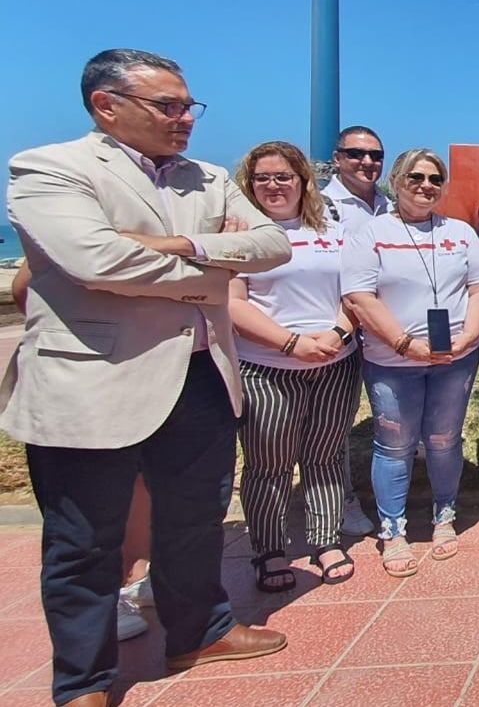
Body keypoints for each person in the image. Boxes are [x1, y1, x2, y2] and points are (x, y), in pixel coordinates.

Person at [3, 49, 292, 705]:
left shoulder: (209, 177)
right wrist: (215, 270)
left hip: (200, 377)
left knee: (196, 517)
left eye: (190, 106)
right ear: (107, 105)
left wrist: (183, 247)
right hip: (95, 383)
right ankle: (84, 681)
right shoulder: (50, 168)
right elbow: (95, 261)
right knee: (84, 541)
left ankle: (200, 631)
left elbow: (273, 246)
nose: (185, 118)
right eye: (168, 106)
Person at [341, 149, 479, 578]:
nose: (426, 185)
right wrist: (404, 343)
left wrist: (468, 337)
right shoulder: (370, 234)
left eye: (434, 178)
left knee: (445, 439)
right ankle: (393, 530)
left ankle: (444, 515)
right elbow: (359, 297)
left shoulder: (461, 233)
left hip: (456, 359)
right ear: (396, 180)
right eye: (416, 177)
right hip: (391, 361)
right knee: (395, 444)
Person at [229, 142, 363, 591]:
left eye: (283, 177)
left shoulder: (331, 230)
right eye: (262, 178)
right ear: (248, 185)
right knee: (269, 465)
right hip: (266, 367)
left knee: (324, 458)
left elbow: (356, 293)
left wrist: (336, 336)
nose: (273, 186)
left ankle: (325, 539)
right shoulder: (239, 236)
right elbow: (232, 304)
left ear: (303, 182)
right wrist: (290, 344)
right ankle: (268, 551)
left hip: (335, 363)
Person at [11, 263, 153, 642]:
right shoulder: (65, 221)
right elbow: (24, 288)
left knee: (140, 476)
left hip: (140, 365)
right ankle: (103, 605)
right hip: (76, 375)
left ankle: (137, 572)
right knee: (81, 509)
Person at [322, 125, 387, 538]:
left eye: (375, 155)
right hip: (339, 327)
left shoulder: (388, 205)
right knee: (336, 424)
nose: (367, 162)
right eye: (356, 154)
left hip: (384, 328)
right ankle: (341, 501)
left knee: (389, 417)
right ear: (337, 158)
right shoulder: (321, 205)